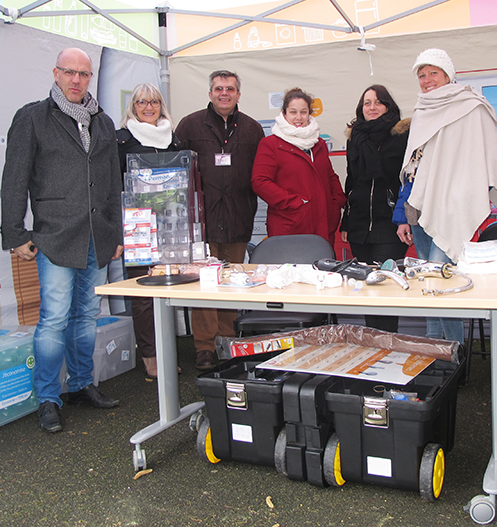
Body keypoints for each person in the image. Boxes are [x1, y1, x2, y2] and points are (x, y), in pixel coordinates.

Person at [0, 48, 123, 433]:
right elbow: (14, 179)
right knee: (53, 319)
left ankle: (82, 384)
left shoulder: (102, 123)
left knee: (86, 315)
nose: (76, 80)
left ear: (89, 78)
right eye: (69, 72)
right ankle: (48, 398)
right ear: (55, 73)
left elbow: (113, 184)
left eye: (83, 74)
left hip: (96, 237)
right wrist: (15, 234)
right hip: (54, 236)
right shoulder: (32, 118)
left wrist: (116, 233)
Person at [394, 48, 497, 344]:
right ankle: (436, 352)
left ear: (448, 74)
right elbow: (414, 166)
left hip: (452, 208)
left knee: (440, 284)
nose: (427, 80)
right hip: (418, 206)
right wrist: (402, 215)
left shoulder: (471, 106)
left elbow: (481, 158)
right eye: (421, 75)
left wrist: (464, 193)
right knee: (427, 283)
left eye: (433, 72)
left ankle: (455, 354)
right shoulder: (422, 109)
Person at [175, 70, 264, 371]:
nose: (224, 93)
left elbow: (260, 174)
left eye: (230, 88)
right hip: (203, 220)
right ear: (210, 92)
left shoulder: (252, 130)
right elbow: (178, 172)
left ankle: (227, 339)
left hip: (239, 217)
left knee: (232, 281)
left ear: (239, 94)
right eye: (218, 88)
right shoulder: (189, 125)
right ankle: (204, 346)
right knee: (204, 284)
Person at [116, 83, 180, 379]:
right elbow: (113, 187)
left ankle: (167, 349)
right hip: (137, 227)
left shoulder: (172, 138)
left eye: (154, 101)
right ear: (133, 106)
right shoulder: (122, 140)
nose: (148, 107)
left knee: (167, 289)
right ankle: (151, 356)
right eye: (142, 102)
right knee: (142, 294)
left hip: (171, 225)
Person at [340, 85, 409, 332]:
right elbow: (352, 181)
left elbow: (407, 179)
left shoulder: (402, 137)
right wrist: (345, 221)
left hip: (389, 223)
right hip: (359, 225)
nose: (372, 107)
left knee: (387, 288)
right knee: (367, 288)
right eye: (367, 103)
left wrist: (405, 217)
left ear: (388, 107)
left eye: (378, 102)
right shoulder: (355, 138)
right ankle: (373, 341)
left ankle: (388, 341)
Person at [252, 87, 346, 247]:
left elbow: (330, 176)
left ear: (310, 113)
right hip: (290, 225)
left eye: (303, 112)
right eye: (293, 112)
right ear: (284, 113)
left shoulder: (319, 143)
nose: (298, 117)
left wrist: (336, 202)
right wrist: (293, 203)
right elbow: (260, 181)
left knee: (322, 269)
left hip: (323, 224)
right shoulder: (271, 144)